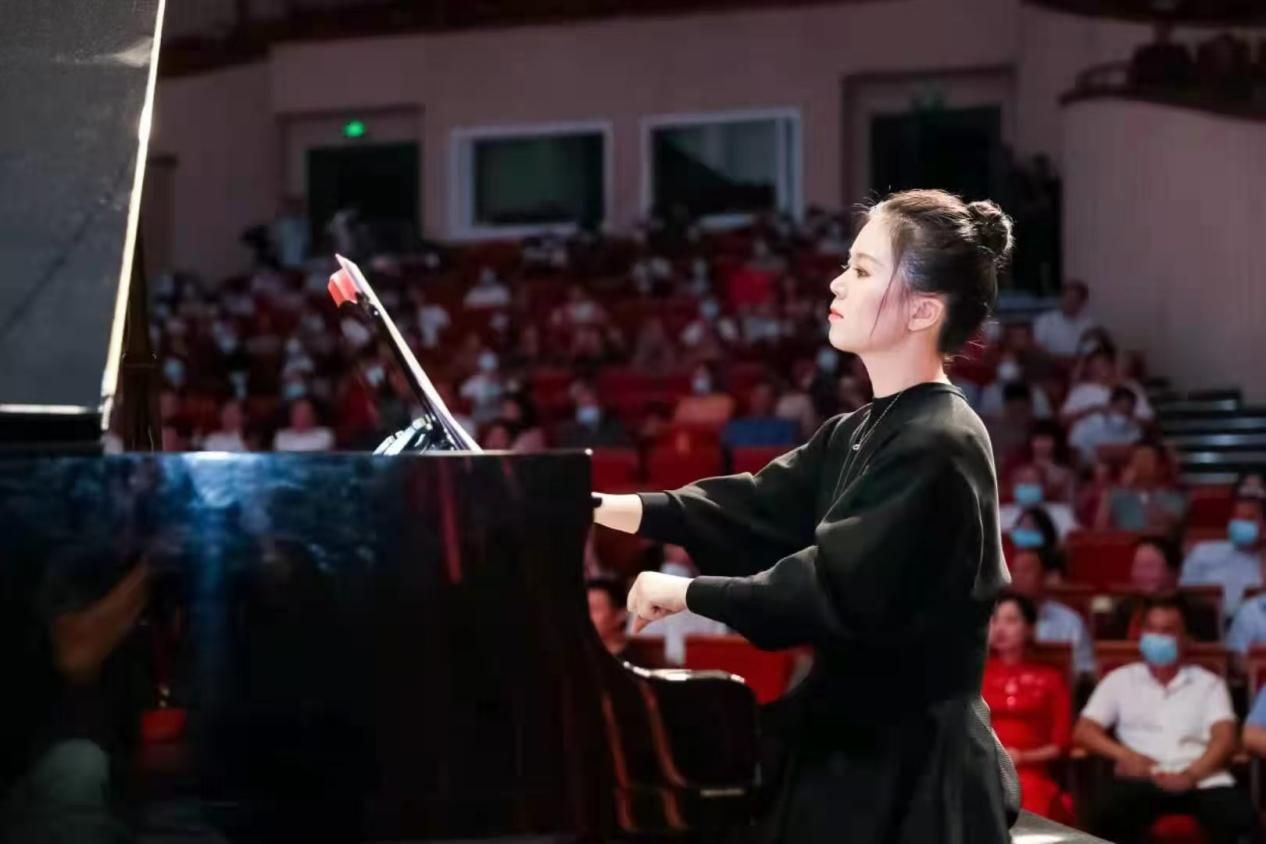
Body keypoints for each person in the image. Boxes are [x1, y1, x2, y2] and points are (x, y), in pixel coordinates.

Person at [593, 189, 1018, 841]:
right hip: (850, 739)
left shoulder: (939, 440)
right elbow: (752, 507)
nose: (837, 282)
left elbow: (831, 586)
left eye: (863, 270)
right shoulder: (858, 429)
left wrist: (687, 592)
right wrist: (598, 508)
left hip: (910, 767)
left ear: (924, 310)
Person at [1074, 596, 1256, 844]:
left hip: (1201, 779)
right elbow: (1084, 731)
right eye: (1151, 629)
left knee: (1241, 820)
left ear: (1186, 639)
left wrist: (1190, 775)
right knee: (1102, 814)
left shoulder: (1209, 683)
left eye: (1167, 631)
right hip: (1142, 778)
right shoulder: (1119, 680)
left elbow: (1225, 739)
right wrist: (1124, 755)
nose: (1157, 637)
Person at [982, 592, 1073, 823]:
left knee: (1029, 802)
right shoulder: (974, 675)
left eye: (1011, 620)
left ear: (1029, 628)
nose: (1000, 628)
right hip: (980, 768)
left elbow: (1061, 745)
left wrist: (1022, 757)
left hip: (1029, 773)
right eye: (994, 620)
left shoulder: (1051, 678)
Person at [630, 545, 729, 665]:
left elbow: (720, 642)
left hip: (702, 665)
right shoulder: (652, 585)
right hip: (654, 665)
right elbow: (635, 639)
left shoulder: (709, 588)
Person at [1009, 548, 1095, 676]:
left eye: (1026, 570)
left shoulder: (1070, 622)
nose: (1019, 576)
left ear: (1044, 576)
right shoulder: (993, 621)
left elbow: (1085, 670)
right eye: (1014, 571)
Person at [1182, 493, 1266, 621]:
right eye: (1236, 517)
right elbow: (1186, 592)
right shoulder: (1203, 552)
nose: (1240, 524)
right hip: (1207, 620)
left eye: (1248, 518)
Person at [1095, 441, 1187, 533]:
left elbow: (1161, 526)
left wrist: (1144, 494)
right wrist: (1109, 492)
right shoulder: (1118, 496)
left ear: (1162, 468)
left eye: (1145, 460)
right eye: (1136, 459)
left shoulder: (1175, 499)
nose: (1139, 465)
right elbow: (1100, 532)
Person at [1068, 385, 1143, 464]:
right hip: (1089, 466)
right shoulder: (1089, 423)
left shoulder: (1133, 428)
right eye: (1120, 408)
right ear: (1110, 405)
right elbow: (1074, 451)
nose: (1122, 414)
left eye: (1127, 410)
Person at [999, 465, 1078, 539]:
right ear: (1012, 486)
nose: (1027, 485)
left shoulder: (1063, 513)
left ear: (1044, 486)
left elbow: (1075, 541)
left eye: (1033, 481)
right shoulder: (1000, 516)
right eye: (1022, 481)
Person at [721, 381, 799, 449]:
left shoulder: (785, 427)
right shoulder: (735, 426)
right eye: (757, 396)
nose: (761, 401)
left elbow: (787, 453)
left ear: (774, 401)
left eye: (766, 397)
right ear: (751, 399)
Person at [555, 381, 631, 449]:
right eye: (584, 404)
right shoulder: (566, 431)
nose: (588, 409)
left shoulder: (614, 428)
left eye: (591, 403)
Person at [1033, 281, 1097, 359]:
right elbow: (1038, 346)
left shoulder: (1089, 325)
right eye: (1066, 297)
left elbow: (1090, 352)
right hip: (1049, 362)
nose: (1068, 301)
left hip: (1077, 364)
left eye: (1074, 299)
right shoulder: (1045, 320)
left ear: (1082, 302)